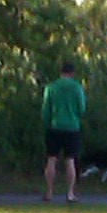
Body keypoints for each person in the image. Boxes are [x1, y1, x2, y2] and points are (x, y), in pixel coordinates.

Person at [42, 60, 86, 202]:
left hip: (54, 127)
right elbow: (82, 108)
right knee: (70, 160)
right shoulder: (77, 87)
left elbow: (45, 110)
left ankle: (49, 192)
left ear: (61, 72)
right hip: (72, 128)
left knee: (51, 159)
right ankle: (69, 193)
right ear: (72, 73)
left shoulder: (51, 87)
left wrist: (48, 123)